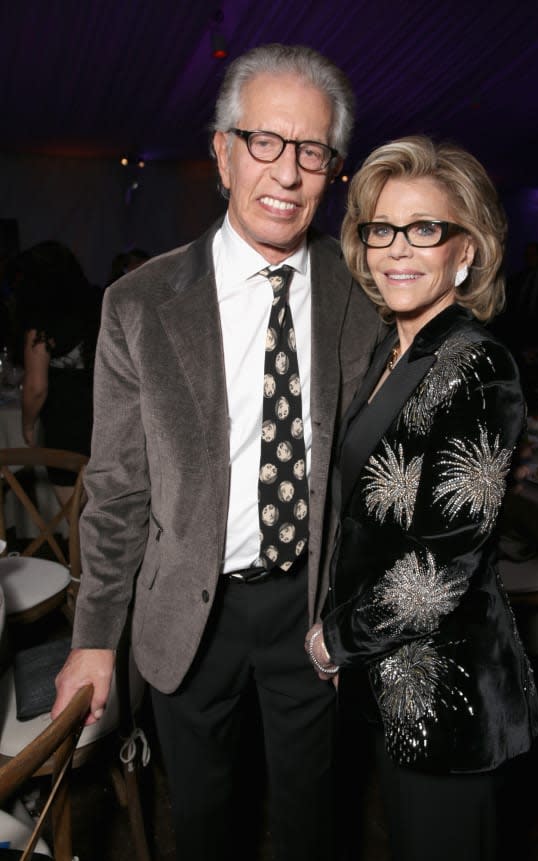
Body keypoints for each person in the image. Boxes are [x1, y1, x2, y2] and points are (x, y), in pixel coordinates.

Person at [51, 43, 382, 861]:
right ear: (222, 151)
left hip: (309, 610)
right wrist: (95, 636)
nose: (287, 171)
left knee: (313, 822)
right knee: (204, 824)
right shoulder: (138, 305)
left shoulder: (363, 290)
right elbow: (120, 487)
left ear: (332, 167)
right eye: (264, 141)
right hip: (186, 616)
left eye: (311, 150)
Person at [305, 136, 538, 860]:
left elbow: (441, 568)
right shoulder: (396, 346)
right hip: (389, 676)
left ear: (463, 251)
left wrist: (334, 637)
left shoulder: (479, 367)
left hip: (450, 691)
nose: (398, 249)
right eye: (382, 228)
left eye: (425, 228)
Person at [15, 241, 101, 498]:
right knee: (101, 520)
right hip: (105, 420)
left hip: (67, 426)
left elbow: (36, 388)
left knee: (75, 522)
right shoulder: (97, 306)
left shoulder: (41, 323)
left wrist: (28, 425)